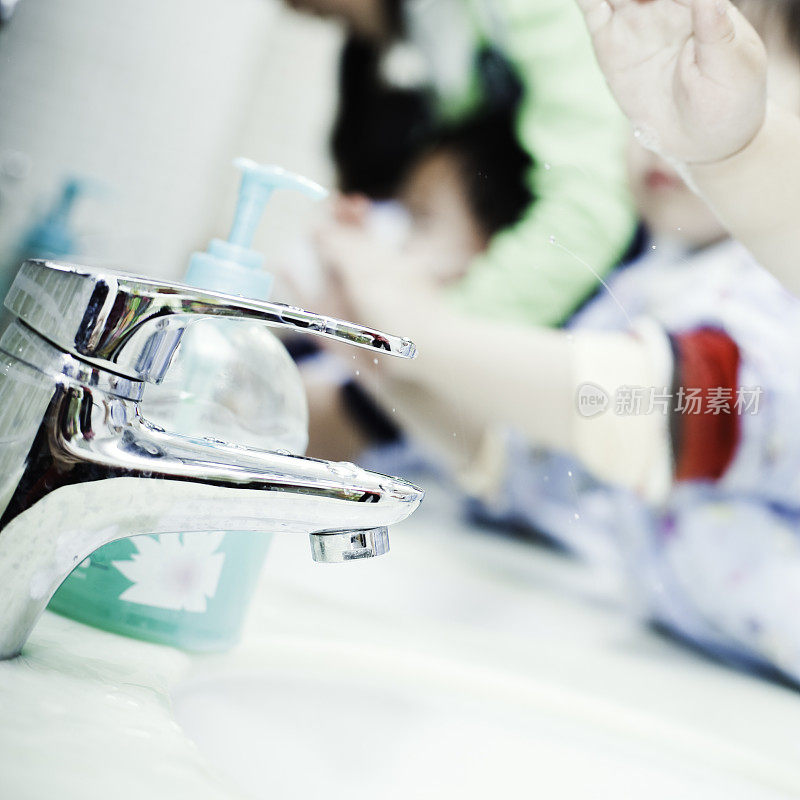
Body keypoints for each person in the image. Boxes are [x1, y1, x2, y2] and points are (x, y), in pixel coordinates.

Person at [316, 0, 800, 682]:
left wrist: (423, 330)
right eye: (643, 115)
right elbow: (514, 464)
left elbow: (681, 408)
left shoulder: (771, 292)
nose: (661, 132)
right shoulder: (640, 291)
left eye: (705, 73)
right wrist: (380, 361)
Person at [283, 0, 636, 326]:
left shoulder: (525, 16)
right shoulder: (437, 39)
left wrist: (426, 338)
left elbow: (588, 212)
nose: (292, 7)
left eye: (419, 222)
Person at [575, 0, 800, 295]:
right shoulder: (643, 261)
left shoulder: (764, 292)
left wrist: (733, 154)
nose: (661, 149)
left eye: (715, 97)